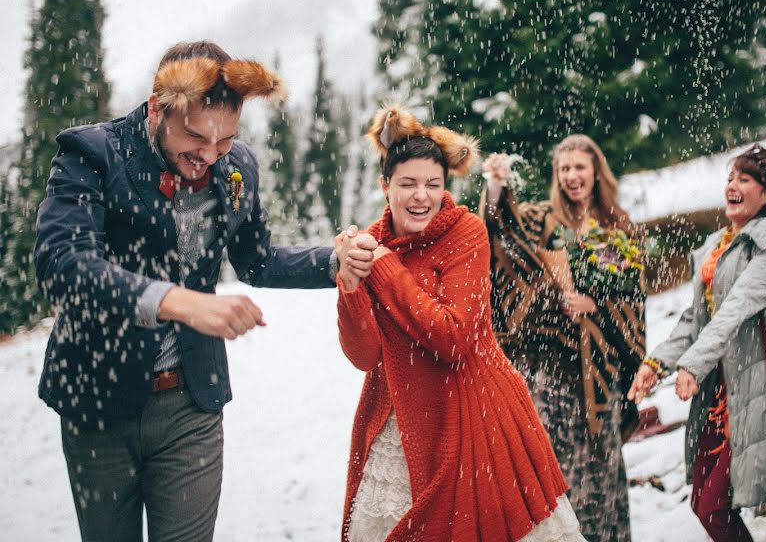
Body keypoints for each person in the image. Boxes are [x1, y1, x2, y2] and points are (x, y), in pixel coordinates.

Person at [33, 40, 375, 541]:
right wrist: (180, 303)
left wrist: (331, 260)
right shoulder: (94, 154)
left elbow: (256, 260)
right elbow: (62, 263)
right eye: (196, 137)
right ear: (157, 108)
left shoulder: (236, 167)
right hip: (98, 402)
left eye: (225, 140)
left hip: (190, 404)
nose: (212, 156)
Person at [335, 107, 586, 541]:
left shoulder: (465, 233)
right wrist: (351, 285)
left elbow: (454, 337)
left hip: (473, 413)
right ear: (385, 186)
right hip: (401, 415)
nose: (421, 197)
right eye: (408, 184)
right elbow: (365, 355)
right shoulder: (372, 242)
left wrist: (387, 269)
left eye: (433, 185)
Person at [627, 145, 766, 541]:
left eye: (745, 179)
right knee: (702, 502)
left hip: (759, 386)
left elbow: (737, 306)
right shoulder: (717, 244)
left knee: (715, 504)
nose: (732, 185)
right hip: (720, 392)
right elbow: (697, 318)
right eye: (730, 178)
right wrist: (656, 364)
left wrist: (692, 364)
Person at [480, 136, 644, 541]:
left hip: (600, 373)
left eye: (580, 168)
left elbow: (634, 298)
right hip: (547, 369)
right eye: (564, 169)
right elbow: (502, 232)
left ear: (596, 172)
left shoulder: (618, 227)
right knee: (555, 479)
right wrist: (496, 186)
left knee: (600, 477)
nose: (572, 177)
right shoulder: (542, 220)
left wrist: (597, 304)